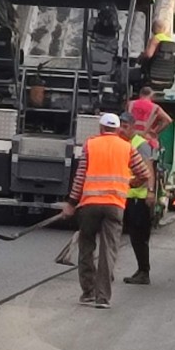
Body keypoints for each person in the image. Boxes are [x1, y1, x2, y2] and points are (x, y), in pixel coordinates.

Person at [61, 112, 150, 309]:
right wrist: (129, 183)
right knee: (108, 250)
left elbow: (80, 177)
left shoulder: (90, 145)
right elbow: (144, 173)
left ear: (101, 129)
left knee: (87, 246)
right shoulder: (127, 148)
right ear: (117, 130)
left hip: (90, 205)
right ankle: (103, 298)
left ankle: (88, 292)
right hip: (115, 206)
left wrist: (71, 203)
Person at [119, 112, 156, 285]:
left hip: (138, 198)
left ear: (133, 127)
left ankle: (144, 271)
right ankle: (141, 271)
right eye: (120, 126)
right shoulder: (122, 143)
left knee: (139, 237)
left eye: (125, 126)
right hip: (126, 196)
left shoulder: (140, 144)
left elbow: (148, 169)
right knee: (132, 236)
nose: (121, 129)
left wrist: (150, 191)